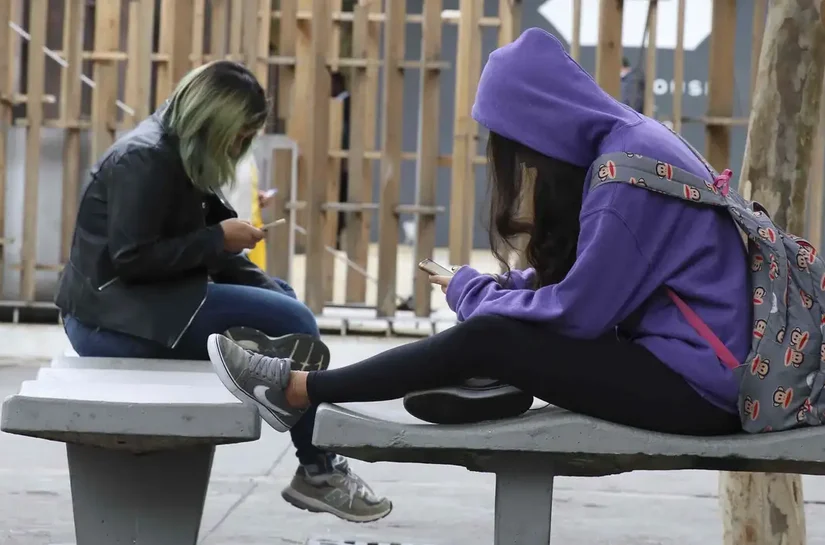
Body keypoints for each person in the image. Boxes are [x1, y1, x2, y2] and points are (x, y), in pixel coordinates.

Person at [205, 28, 749, 440]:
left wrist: (475, 294)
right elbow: (613, 275)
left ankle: (298, 390)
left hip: (702, 387)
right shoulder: (636, 143)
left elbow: (579, 313)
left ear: (534, 128)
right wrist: (509, 289)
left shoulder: (623, 175)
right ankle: (489, 374)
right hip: (693, 362)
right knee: (498, 335)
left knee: (491, 337)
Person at [55, 60, 392, 523]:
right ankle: (318, 469)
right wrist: (219, 240)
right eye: (239, 136)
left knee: (285, 303)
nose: (240, 147)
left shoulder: (178, 152)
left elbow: (215, 250)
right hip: (109, 319)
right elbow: (133, 260)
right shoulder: (145, 158)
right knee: (294, 324)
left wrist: (263, 282)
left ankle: (295, 423)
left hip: (144, 304)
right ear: (214, 121)